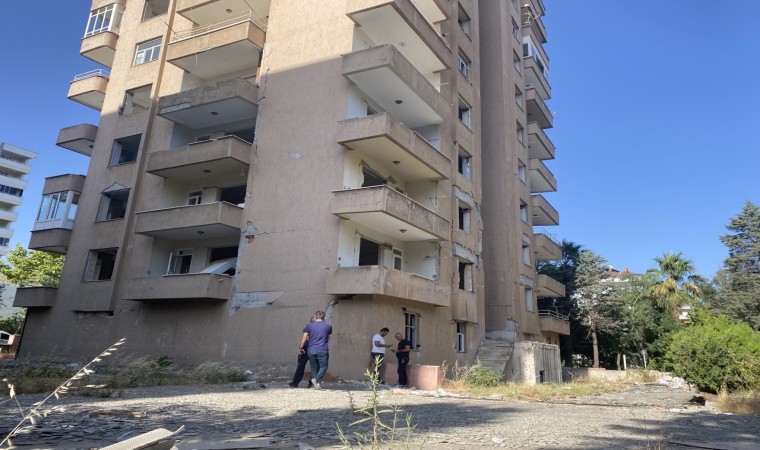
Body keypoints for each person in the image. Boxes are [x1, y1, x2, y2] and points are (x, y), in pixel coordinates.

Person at [300, 310, 332, 389]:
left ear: (315, 316)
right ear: (324, 317)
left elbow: (304, 336)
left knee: (314, 367)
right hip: (322, 349)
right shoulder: (328, 326)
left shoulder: (309, 325)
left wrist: (301, 347)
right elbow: (328, 338)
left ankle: (315, 385)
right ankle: (316, 380)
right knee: (323, 367)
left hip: (311, 349)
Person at [289, 317, 315, 388]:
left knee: (301, 366)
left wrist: (301, 348)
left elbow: (305, 338)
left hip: (306, 348)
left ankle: (295, 382)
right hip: (314, 349)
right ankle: (311, 382)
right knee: (314, 367)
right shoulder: (318, 329)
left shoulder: (307, 328)